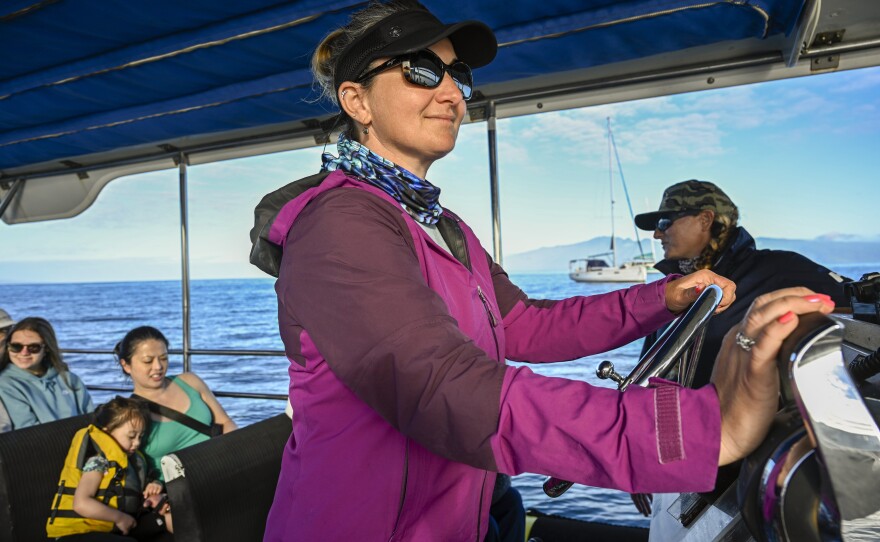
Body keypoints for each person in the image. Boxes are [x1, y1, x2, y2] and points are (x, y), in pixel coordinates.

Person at [247, 2, 825, 540]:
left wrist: (663, 298)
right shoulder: (339, 225)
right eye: (423, 70)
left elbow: (523, 324)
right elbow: (440, 387)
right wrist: (701, 430)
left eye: (458, 76)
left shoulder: (438, 222)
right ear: (358, 100)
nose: (452, 92)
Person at [634, 180, 848, 388]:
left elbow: (858, 298)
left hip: (728, 420)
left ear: (705, 220)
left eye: (664, 222)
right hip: (666, 419)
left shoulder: (777, 269)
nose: (657, 234)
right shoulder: (671, 290)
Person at [114, 326, 237, 481]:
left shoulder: (190, 381)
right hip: (181, 488)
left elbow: (225, 422)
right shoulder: (129, 414)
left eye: (164, 358)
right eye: (148, 361)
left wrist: (237, 456)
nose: (158, 366)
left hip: (224, 468)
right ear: (126, 365)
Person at [47, 396, 173, 541]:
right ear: (107, 431)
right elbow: (81, 503)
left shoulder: (130, 461)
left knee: (167, 524)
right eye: (131, 436)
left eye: (140, 436)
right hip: (79, 533)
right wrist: (120, 518)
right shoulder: (97, 461)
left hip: (113, 530)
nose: (137, 442)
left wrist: (153, 487)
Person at [0, 317, 94, 430]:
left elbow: (91, 418)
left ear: (47, 348)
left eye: (33, 347)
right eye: (16, 346)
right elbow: (28, 431)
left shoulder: (69, 379)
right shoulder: (5, 385)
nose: (24, 352)